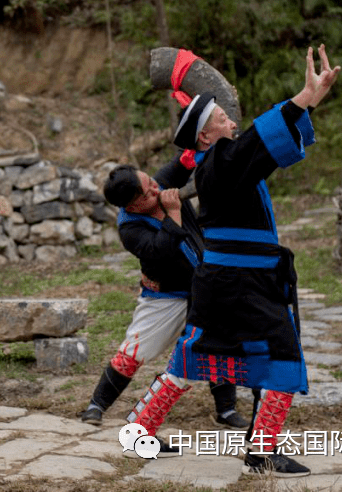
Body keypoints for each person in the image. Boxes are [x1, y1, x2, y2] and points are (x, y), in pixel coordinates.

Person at [125, 45, 340, 478]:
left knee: (194, 355)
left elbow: (257, 149)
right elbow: (258, 143)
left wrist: (304, 106)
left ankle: (139, 427)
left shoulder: (222, 163)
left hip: (235, 281)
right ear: (204, 136)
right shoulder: (220, 162)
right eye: (222, 119)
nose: (231, 121)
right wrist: (303, 100)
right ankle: (261, 451)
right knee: (282, 356)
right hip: (236, 283)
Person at [79, 160, 247, 431]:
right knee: (135, 350)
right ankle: (97, 404)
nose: (156, 190)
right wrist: (173, 212)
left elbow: (187, 156)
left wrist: (209, 142)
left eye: (151, 182)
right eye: (147, 193)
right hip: (166, 296)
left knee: (220, 343)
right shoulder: (129, 229)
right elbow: (163, 249)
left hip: (204, 285)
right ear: (131, 206)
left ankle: (226, 410)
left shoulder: (162, 182)